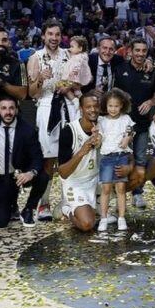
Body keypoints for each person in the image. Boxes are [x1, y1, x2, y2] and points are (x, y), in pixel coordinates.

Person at [27, 20, 72, 221]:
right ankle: (43, 203)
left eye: (57, 34)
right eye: (50, 34)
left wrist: (69, 86)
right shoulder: (35, 58)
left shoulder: (69, 55)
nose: (54, 38)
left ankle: (67, 202)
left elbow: (79, 81)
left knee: (68, 157)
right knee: (48, 159)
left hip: (68, 107)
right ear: (43, 35)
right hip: (46, 108)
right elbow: (32, 93)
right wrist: (40, 80)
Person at [112, 38, 155, 208]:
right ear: (130, 51)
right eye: (137, 50)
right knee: (122, 160)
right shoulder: (120, 69)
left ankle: (138, 194)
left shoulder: (152, 72)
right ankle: (118, 197)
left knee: (140, 160)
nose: (140, 54)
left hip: (142, 125)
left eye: (143, 51)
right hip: (122, 125)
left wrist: (150, 102)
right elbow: (113, 93)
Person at [0, 95, 43, 228]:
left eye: (11, 108)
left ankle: (29, 209)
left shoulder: (27, 129)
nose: (8, 112)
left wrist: (31, 172)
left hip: (18, 175)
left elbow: (37, 156)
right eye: (4, 108)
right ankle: (0, 203)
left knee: (43, 175)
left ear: (17, 110)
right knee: (1, 222)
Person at [57, 92, 103, 232]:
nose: (93, 110)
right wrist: (83, 150)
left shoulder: (104, 125)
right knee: (87, 224)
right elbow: (63, 173)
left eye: (95, 106)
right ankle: (66, 209)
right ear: (81, 109)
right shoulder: (69, 131)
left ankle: (99, 204)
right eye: (88, 107)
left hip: (98, 179)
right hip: (76, 182)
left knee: (136, 174)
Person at [97, 88, 136, 232]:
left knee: (121, 188)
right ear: (105, 106)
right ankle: (104, 218)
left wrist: (127, 138)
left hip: (121, 156)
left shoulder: (125, 119)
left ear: (122, 106)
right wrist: (97, 138)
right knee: (106, 188)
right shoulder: (102, 120)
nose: (113, 109)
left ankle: (121, 218)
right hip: (107, 157)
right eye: (110, 106)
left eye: (116, 106)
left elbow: (130, 131)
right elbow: (100, 136)